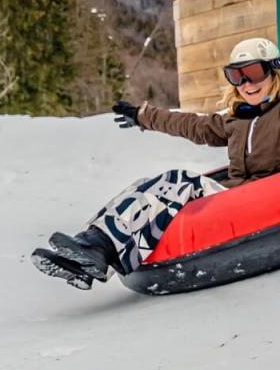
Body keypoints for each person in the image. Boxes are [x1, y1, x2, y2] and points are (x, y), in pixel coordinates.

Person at [32, 37, 280, 290]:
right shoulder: (236, 120)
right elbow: (190, 125)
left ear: (274, 70)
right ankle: (88, 254)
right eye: (236, 76)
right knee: (144, 188)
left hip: (262, 197)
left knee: (178, 180)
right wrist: (142, 116)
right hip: (234, 196)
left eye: (253, 72)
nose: (246, 84)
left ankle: (96, 250)